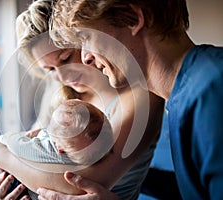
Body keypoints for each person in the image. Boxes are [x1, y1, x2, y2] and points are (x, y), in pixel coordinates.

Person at [0, 0, 164, 199]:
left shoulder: (141, 97)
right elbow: (33, 152)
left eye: (65, 58)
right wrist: (13, 183)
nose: (62, 77)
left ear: (85, 40)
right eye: (50, 69)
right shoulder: (60, 94)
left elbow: (79, 185)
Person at [48, 0, 223, 199]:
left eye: (87, 37)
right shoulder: (186, 94)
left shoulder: (212, 91)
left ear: (133, 19)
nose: (86, 57)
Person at [0, 97, 113, 199]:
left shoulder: (48, 150)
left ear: (58, 147)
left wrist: (6, 138)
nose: (47, 127)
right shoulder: (80, 148)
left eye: (51, 125)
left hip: (25, 190)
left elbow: (19, 146)